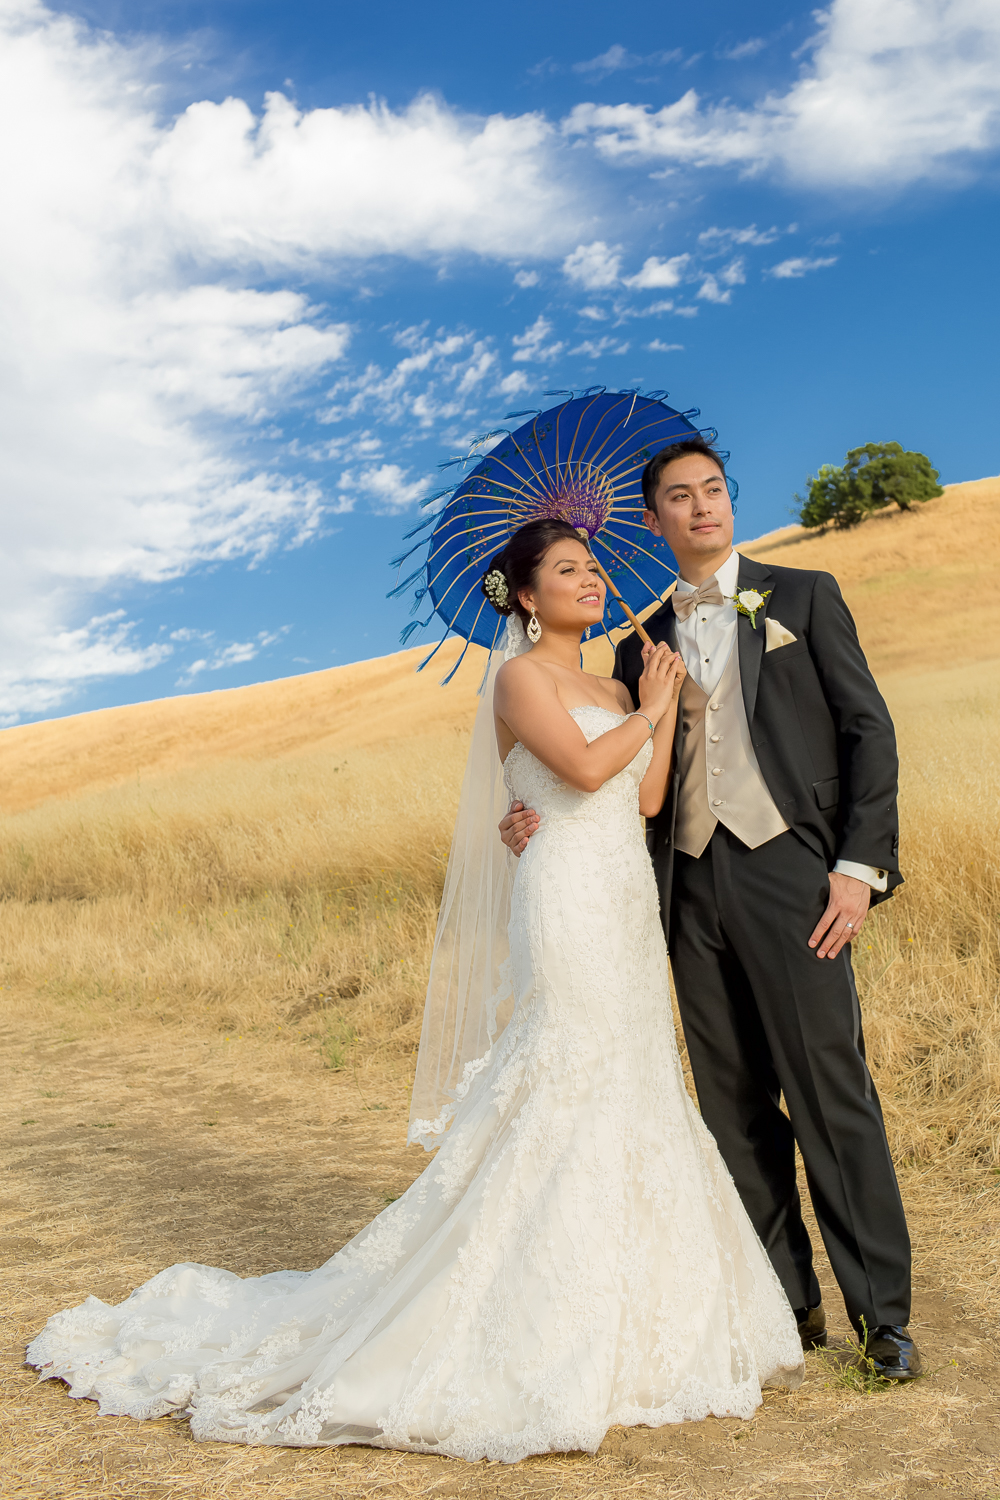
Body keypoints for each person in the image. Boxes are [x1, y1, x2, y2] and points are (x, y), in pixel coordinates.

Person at [27, 517, 803, 1463]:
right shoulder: (521, 677)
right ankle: (523, 1318)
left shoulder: (614, 679)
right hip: (563, 898)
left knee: (634, 1077)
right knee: (572, 1073)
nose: (590, 581)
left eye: (593, 567)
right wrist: (652, 708)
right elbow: (586, 765)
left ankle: (643, 1317)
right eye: (567, 570)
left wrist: (664, 710)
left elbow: (640, 801)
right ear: (525, 595)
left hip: (621, 896)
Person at [501, 442, 921, 1381]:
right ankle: (784, 1309)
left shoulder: (803, 595)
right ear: (653, 521)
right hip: (683, 888)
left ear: (729, 503)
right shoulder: (635, 643)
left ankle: (881, 1320)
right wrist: (526, 808)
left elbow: (868, 730)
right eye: (679, 500)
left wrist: (857, 866)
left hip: (793, 878)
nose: (702, 509)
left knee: (829, 1091)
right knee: (732, 1109)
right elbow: (611, 779)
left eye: (714, 492)